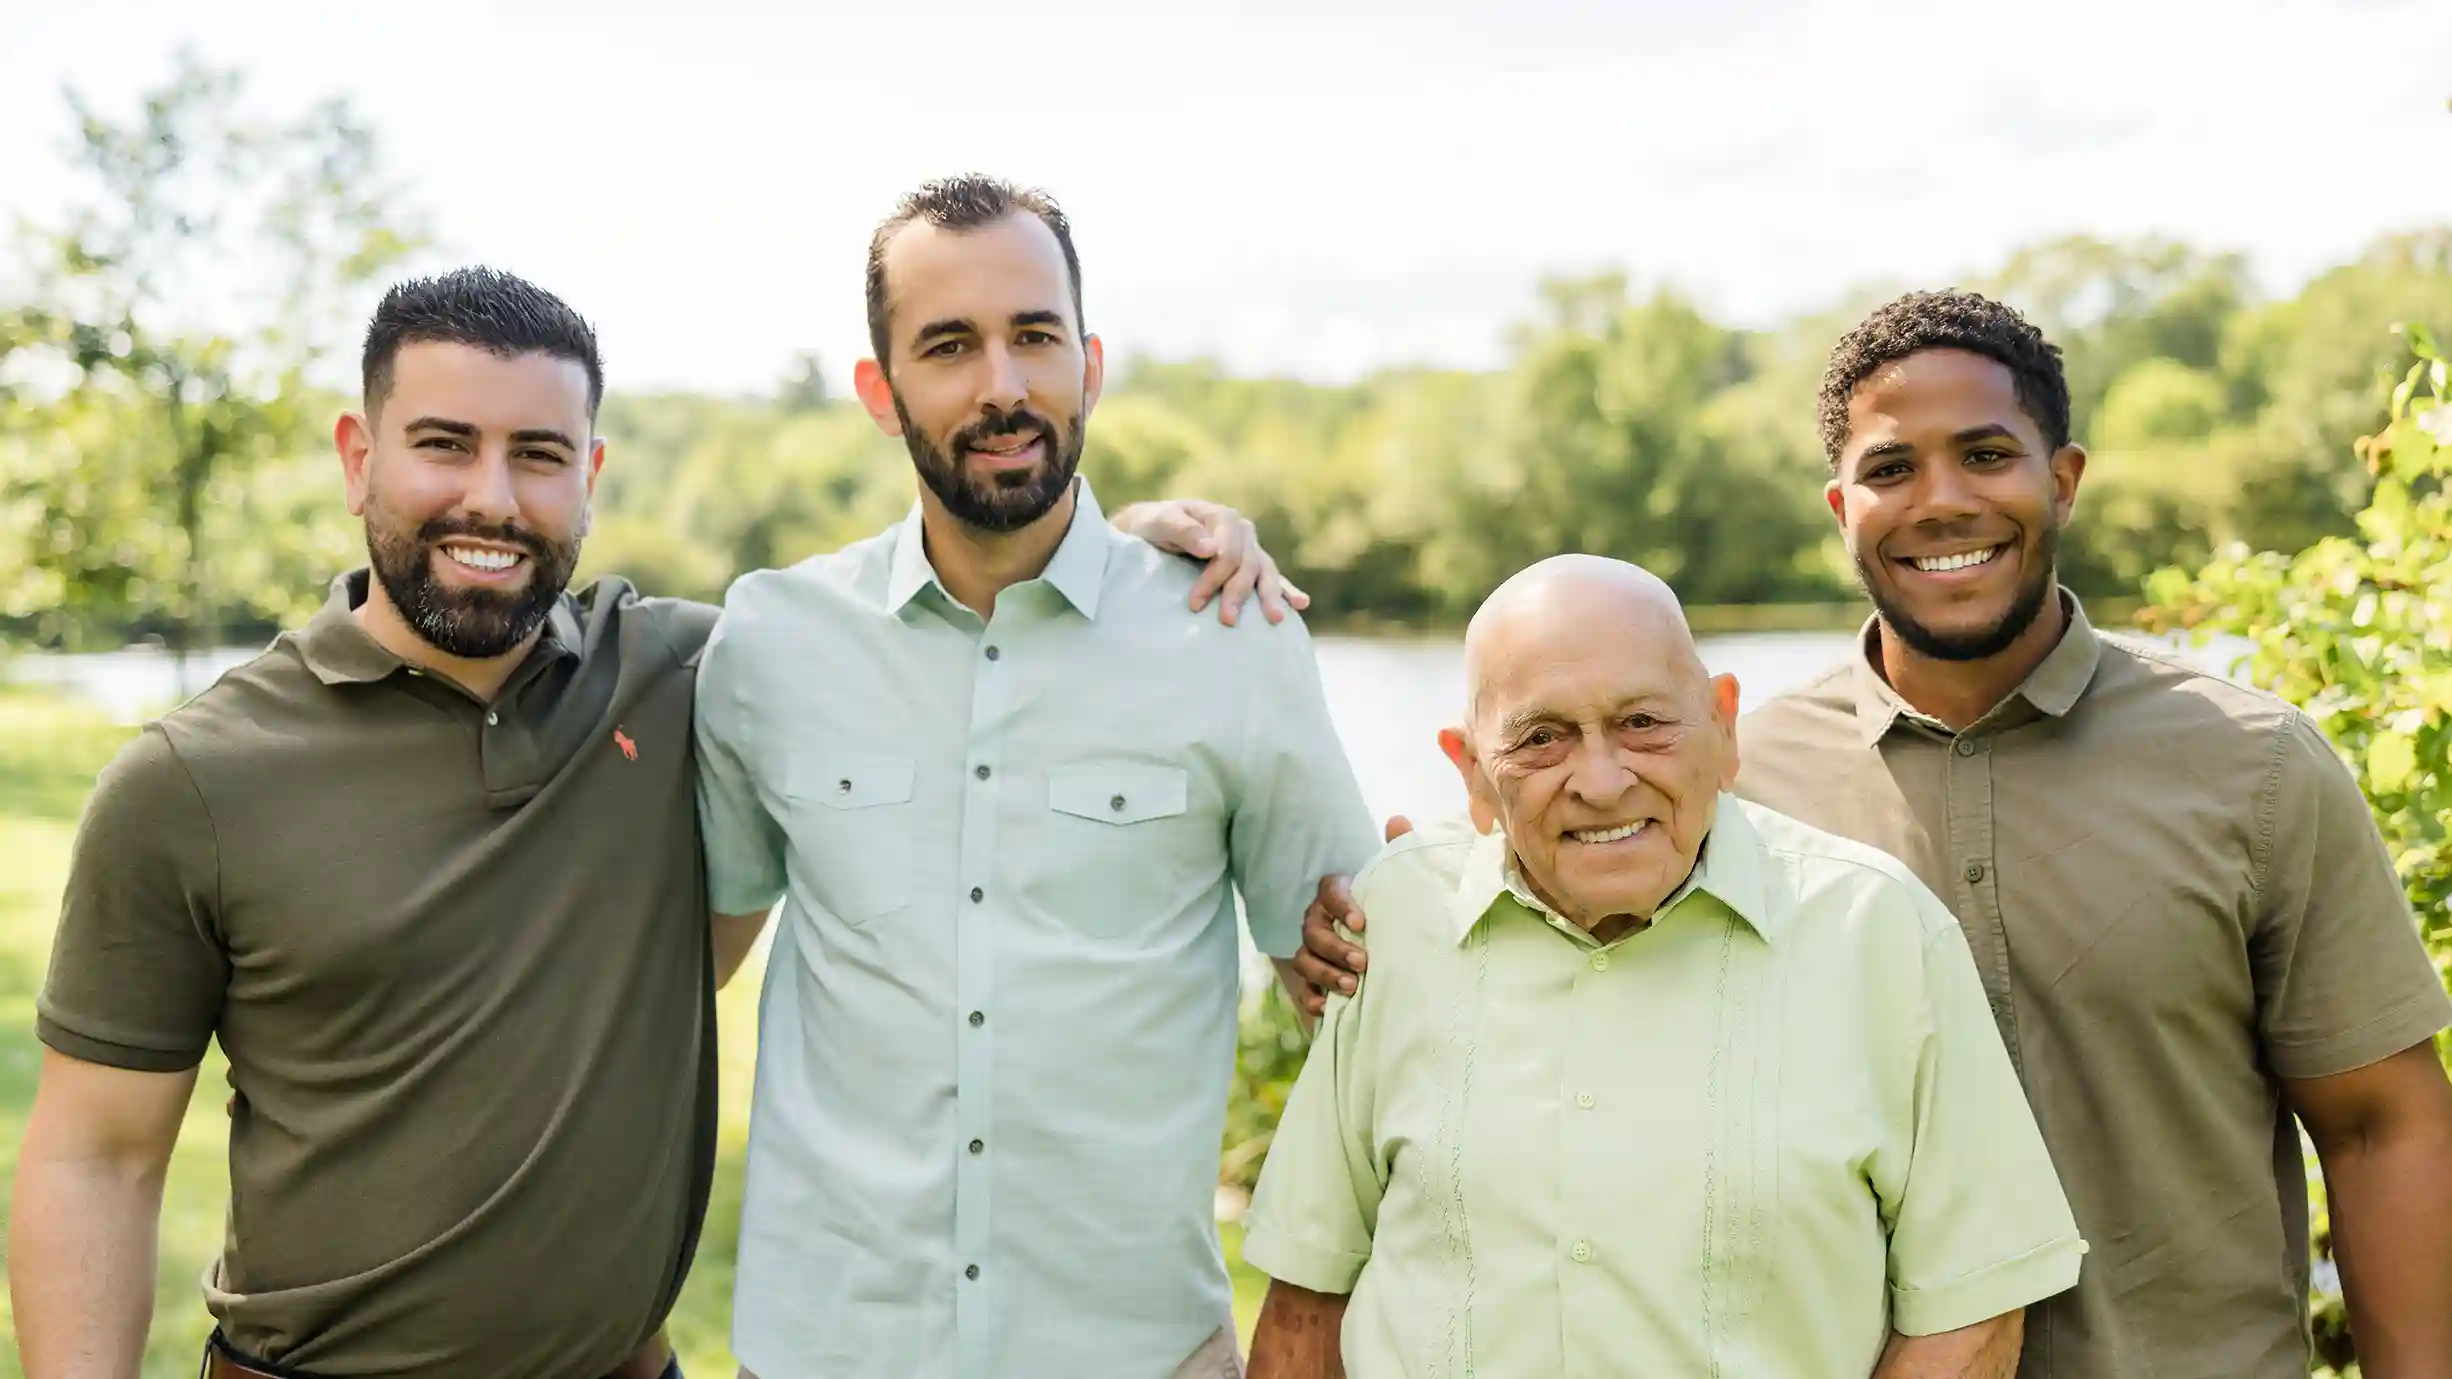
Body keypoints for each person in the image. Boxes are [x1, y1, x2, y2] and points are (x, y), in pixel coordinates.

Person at [7, 267, 1300, 1379]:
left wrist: (1124, 554)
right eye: (444, 443)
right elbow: (97, 1161)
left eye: (540, 454)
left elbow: (938, 636)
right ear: (360, 458)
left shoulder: (696, 672)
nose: (493, 500)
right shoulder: (193, 779)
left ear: (592, 475)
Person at [1292, 291, 2452, 1379]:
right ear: (1842, 509)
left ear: (2065, 477)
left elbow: (2379, 1128)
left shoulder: (2249, 768)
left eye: (1987, 454)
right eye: (1890, 467)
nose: (1941, 499)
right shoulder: (1723, 777)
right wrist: (1368, 920)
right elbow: (1545, 850)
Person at [692, 175, 1382, 1379]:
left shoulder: (1232, 633)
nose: (1001, 384)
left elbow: (1359, 1002)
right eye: (948, 345)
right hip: (826, 1349)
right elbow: (664, 977)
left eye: (1034, 336)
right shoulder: (770, 642)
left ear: (1090, 365)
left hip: (1138, 1352)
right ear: (879, 389)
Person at [1240, 555, 2083, 1379]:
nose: (1602, 782)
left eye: (1643, 723)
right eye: (1542, 738)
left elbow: (1973, 1310)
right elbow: (1308, 1297)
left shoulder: (1878, 930)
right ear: (1472, 772)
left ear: (1724, 726)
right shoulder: (1395, 919)